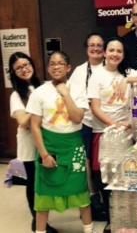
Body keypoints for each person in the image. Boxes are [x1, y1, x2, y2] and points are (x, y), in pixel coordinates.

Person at [26, 51, 99, 233]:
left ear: (68, 67)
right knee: (43, 197)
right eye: (52, 64)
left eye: (60, 63)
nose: (56, 67)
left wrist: (66, 94)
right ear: (48, 68)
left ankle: (88, 230)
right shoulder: (39, 92)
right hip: (49, 147)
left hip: (72, 147)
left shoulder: (78, 89)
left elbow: (77, 119)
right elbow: (35, 126)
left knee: (81, 193)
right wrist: (44, 154)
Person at [87, 36, 137, 233]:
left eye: (119, 51)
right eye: (111, 50)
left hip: (127, 134)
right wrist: (114, 124)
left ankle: (129, 217)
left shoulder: (128, 72)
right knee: (106, 178)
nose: (115, 54)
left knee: (127, 174)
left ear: (123, 55)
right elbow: (95, 108)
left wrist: (128, 79)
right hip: (104, 133)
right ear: (104, 53)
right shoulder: (96, 76)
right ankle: (111, 219)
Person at [8, 52, 57, 233]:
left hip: (47, 140)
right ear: (13, 73)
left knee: (46, 181)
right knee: (34, 183)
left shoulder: (43, 86)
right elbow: (22, 121)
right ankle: (37, 222)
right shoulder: (16, 95)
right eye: (19, 68)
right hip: (29, 144)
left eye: (26, 64)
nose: (24, 69)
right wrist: (37, 107)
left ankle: (44, 218)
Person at [69, 33, 105, 214]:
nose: (96, 48)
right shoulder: (79, 71)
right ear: (87, 48)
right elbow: (72, 98)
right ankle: (92, 196)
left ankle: (107, 195)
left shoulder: (111, 67)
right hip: (85, 122)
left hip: (105, 122)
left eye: (99, 45)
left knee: (102, 162)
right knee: (86, 160)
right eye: (92, 45)